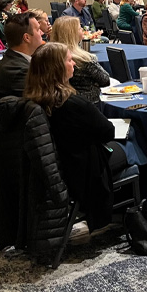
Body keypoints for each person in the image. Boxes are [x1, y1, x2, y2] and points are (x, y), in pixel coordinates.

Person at [23, 42, 126, 231]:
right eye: (70, 60)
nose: (75, 65)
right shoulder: (73, 104)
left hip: (63, 164)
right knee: (133, 145)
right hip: (84, 169)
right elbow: (108, 132)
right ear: (58, 68)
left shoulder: (34, 99)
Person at [50, 16, 111, 104]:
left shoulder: (50, 56)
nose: (82, 30)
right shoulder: (84, 60)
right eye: (79, 28)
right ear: (72, 33)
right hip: (89, 104)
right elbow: (105, 80)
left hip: (60, 104)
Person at [0, 11, 44, 99]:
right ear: (27, 37)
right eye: (38, 30)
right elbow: (42, 100)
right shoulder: (19, 70)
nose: (42, 33)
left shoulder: (12, 58)